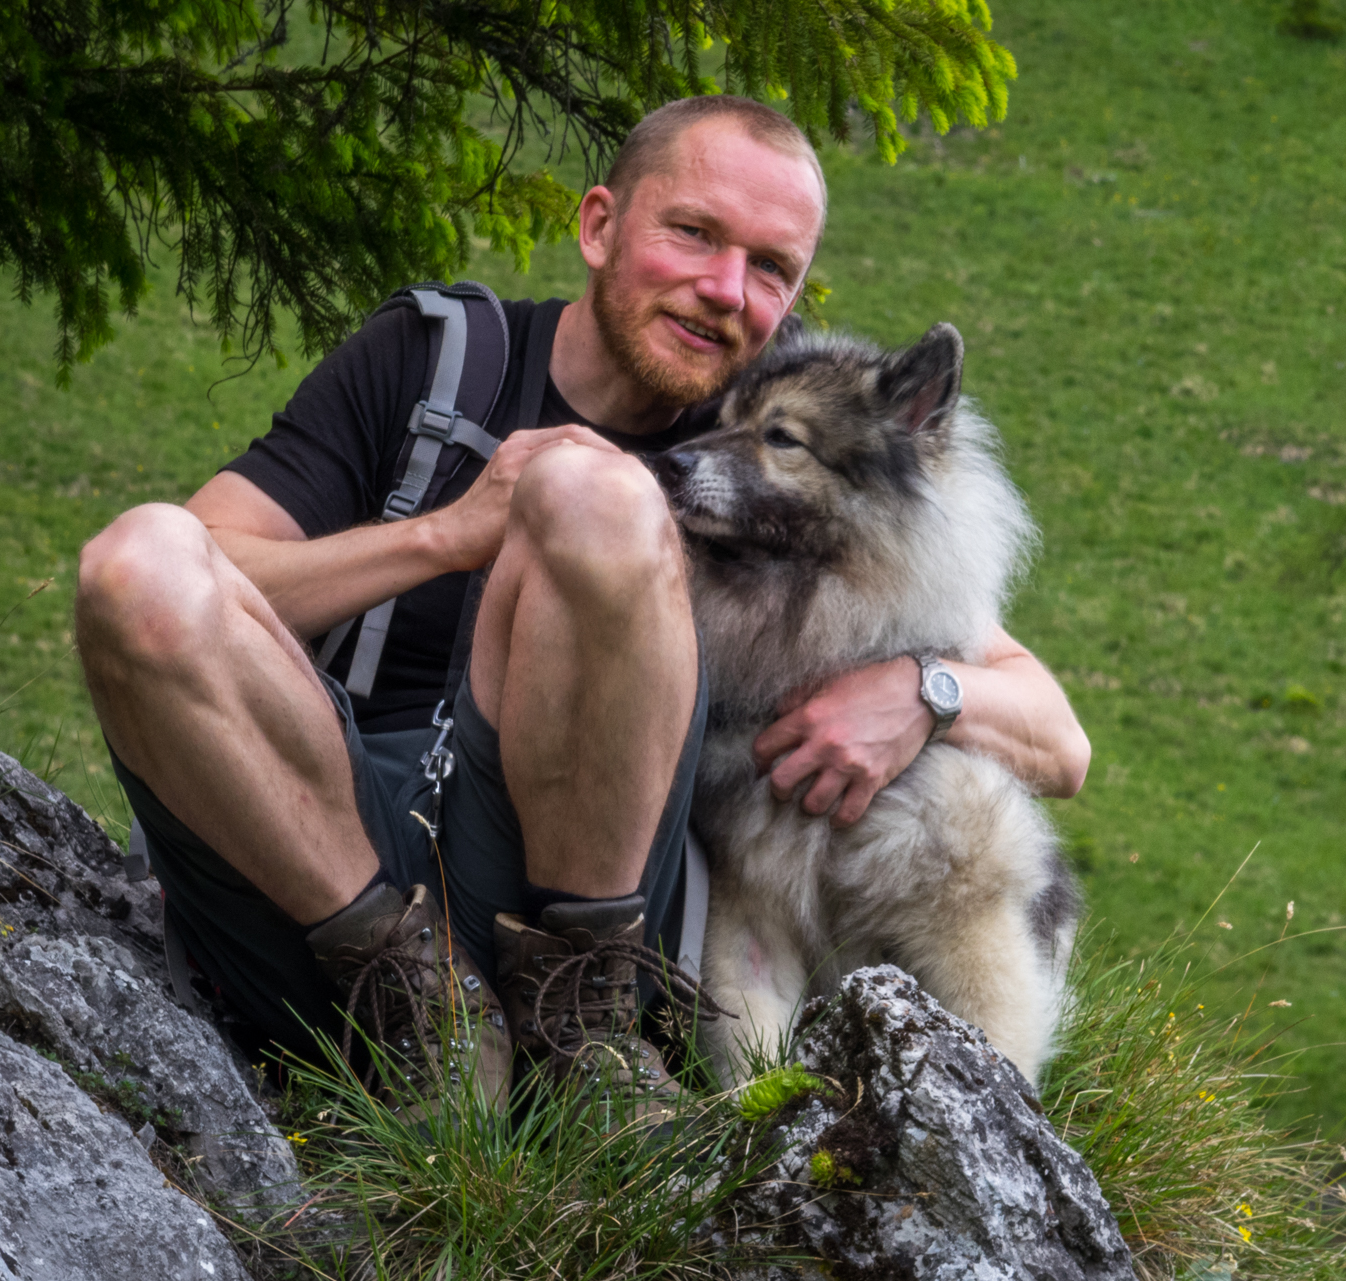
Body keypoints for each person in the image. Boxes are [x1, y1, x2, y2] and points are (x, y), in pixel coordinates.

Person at [74, 95, 1091, 1115]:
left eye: (771, 267)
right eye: (693, 233)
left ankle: (580, 1039)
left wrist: (925, 690)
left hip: (564, 897)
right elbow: (196, 576)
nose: (724, 289)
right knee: (136, 561)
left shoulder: (753, 465)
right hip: (311, 853)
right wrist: (446, 533)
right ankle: (416, 1003)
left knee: (594, 492)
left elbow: (1058, 738)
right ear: (600, 225)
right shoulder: (434, 363)